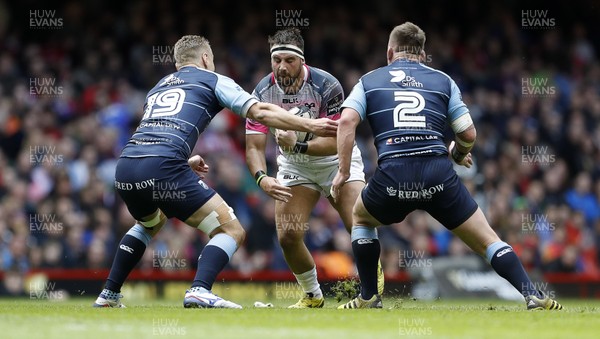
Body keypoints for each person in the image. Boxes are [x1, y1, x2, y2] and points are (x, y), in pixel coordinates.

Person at [93, 35, 337, 309]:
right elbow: (260, 112)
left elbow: (157, 133)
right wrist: (313, 126)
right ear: (206, 59)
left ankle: (109, 294)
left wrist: (184, 162)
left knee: (149, 224)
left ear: (177, 63)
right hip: (163, 166)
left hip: (126, 166)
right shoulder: (213, 79)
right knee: (231, 230)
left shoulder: (157, 87)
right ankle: (199, 289)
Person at [331, 22, 563, 311]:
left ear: (390, 52)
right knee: (487, 240)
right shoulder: (443, 80)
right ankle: (532, 294)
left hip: (394, 175)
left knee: (362, 220)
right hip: (438, 175)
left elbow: (345, 122)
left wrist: (343, 170)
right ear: (422, 53)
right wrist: (458, 155)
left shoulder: (369, 80)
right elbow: (467, 134)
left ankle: (368, 297)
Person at [245, 28, 383, 308]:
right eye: (276, 60)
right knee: (288, 235)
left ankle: (371, 288)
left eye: (289, 60)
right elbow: (254, 147)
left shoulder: (326, 85)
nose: (282, 66)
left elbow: (336, 141)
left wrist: (297, 145)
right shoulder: (262, 91)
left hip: (336, 162)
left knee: (358, 224)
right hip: (296, 167)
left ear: (302, 60)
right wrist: (261, 178)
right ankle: (312, 295)